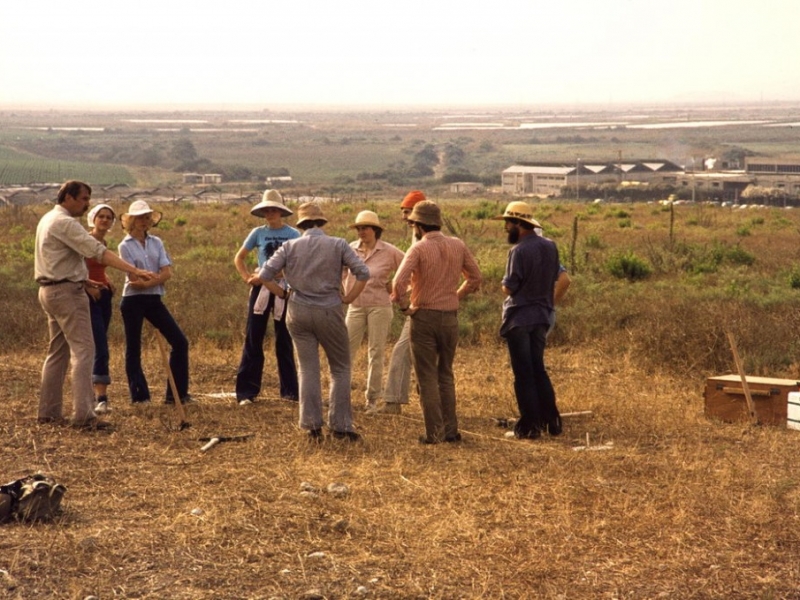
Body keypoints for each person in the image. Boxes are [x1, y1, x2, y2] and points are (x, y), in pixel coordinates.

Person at [34, 180, 153, 429]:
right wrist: (134, 270)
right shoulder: (64, 222)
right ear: (68, 197)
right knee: (84, 350)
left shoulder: (48, 219)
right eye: (84, 199)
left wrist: (84, 278)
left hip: (50, 290)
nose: (87, 204)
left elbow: (57, 260)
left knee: (58, 352)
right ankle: (85, 416)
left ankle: (48, 412)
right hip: (66, 293)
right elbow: (98, 252)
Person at [254, 202, 370, 442]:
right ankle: (340, 426)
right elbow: (363, 272)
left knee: (307, 368)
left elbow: (263, 275)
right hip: (329, 310)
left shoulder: (289, 246)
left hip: (297, 310)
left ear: (302, 224)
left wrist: (283, 294)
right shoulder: (337, 244)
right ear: (321, 223)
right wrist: (349, 297)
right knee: (340, 367)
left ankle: (311, 426)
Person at [391, 200, 481, 444]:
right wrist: (455, 295)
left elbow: (398, 284)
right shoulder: (457, 245)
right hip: (449, 316)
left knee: (427, 376)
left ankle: (434, 433)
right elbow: (475, 277)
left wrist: (405, 308)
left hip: (424, 316)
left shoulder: (418, 249)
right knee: (446, 374)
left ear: (418, 226)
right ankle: (451, 431)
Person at [494, 201, 562, 439]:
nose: (506, 228)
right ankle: (552, 421)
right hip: (542, 315)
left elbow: (509, 287)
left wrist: (503, 286)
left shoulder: (518, 251)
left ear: (517, 224)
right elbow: (556, 278)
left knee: (523, 373)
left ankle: (530, 426)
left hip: (520, 318)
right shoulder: (550, 246)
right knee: (538, 369)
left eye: (507, 223)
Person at [118, 200, 191, 405]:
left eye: (147, 217)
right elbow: (133, 280)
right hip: (132, 300)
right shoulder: (124, 246)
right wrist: (153, 278)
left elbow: (167, 271)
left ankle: (177, 395)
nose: (144, 221)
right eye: (140, 217)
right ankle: (140, 396)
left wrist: (152, 280)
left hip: (154, 298)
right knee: (133, 347)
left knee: (179, 342)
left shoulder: (157, 242)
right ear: (131, 221)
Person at [234, 190, 300, 406]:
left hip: (284, 289)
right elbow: (240, 258)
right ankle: (246, 392)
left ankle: (290, 392)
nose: (270, 213)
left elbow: (299, 260)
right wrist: (247, 277)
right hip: (261, 286)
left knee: (285, 339)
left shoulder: (293, 235)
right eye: (267, 210)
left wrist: (284, 274)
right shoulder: (257, 233)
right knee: (254, 337)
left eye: (274, 209)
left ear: (281, 211)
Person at [368, 190, 427, 415]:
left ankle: (393, 403)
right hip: (431, 304)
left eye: (408, 211)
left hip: (419, 305)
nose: (404, 216)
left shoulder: (421, 239)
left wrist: (400, 294)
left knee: (404, 352)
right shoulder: (423, 236)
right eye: (403, 211)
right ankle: (427, 402)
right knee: (423, 356)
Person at [343, 210, 405, 410]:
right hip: (355, 305)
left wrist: (397, 290)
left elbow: (409, 269)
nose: (362, 232)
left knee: (376, 352)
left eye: (366, 228)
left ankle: (372, 399)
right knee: (346, 351)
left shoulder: (389, 251)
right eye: (359, 228)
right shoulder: (349, 249)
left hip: (379, 305)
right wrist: (341, 291)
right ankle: (342, 396)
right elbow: (339, 272)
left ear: (375, 230)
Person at [85, 203, 117, 414]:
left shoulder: (103, 243)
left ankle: (93, 393)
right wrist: (88, 286)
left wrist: (106, 279)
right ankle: (101, 398)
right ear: (93, 219)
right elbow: (76, 267)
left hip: (104, 295)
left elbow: (98, 268)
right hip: (89, 297)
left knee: (99, 344)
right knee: (100, 346)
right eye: (101, 216)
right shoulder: (85, 241)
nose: (104, 220)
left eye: (108, 217)